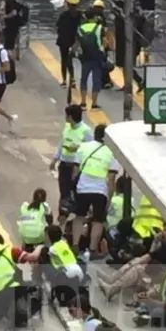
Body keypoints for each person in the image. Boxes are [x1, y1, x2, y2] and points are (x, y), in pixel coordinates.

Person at [72, 123, 120, 257]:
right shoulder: (112, 152)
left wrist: (73, 188)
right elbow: (111, 179)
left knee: (79, 217)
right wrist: (109, 198)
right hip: (100, 191)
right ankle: (92, 249)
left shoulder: (84, 146)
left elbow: (75, 170)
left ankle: (75, 244)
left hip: (82, 188)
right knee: (98, 220)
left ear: (95, 134)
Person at [49, 104, 92, 215]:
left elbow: (90, 148)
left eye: (66, 115)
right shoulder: (67, 127)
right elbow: (61, 144)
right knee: (64, 192)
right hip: (64, 165)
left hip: (76, 167)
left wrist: (77, 147)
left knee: (75, 193)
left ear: (71, 117)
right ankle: (62, 215)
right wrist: (54, 159)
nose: (65, 117)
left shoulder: (86, 131)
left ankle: (78, 214)